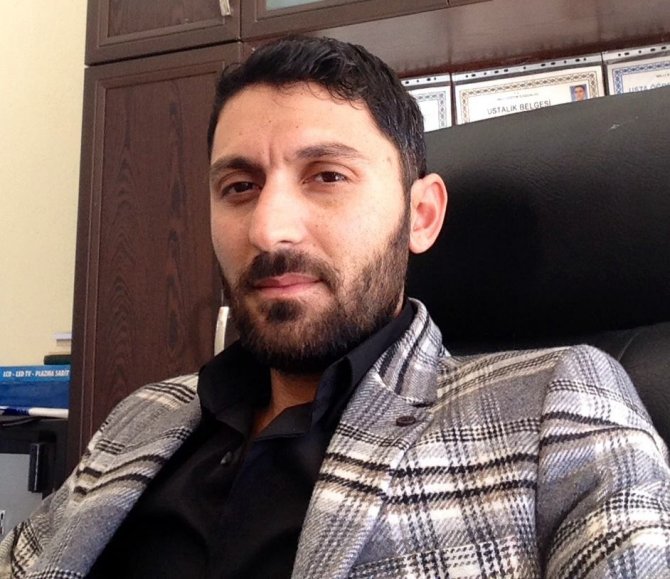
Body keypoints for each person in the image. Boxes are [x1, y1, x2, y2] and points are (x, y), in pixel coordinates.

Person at [2, 36, 670, 579]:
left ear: (421, 215)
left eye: (327, 176)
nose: (270, 230)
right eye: (239, 186)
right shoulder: (143, 415)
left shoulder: (556, 403)